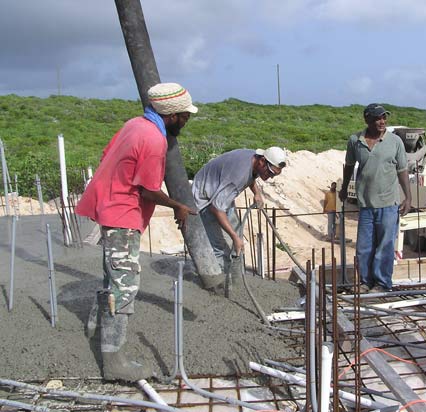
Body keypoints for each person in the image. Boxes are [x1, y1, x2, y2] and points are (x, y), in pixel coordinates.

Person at [76, 82, 198, 381]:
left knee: (112, 276)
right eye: (185, 115)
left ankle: (95, 327)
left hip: (111, 206)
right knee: (125, 285)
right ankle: (114, 360)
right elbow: (146, 189)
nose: (187, 120)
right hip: (122, 214)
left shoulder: (135, 124)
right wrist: (178, 206)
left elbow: (108, 154)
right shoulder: (154, 140)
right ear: (171, 116)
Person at [339, 104, 411, 293]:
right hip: (365, 204)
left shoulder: (395, 142)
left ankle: (382, 283)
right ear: (367, 120)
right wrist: (344, 187)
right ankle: (365, 282)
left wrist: (408, 198)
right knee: (364, 247)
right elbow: (348, 165)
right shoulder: (355, 140)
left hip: (388, 204)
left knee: (385, 247)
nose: (382, 122)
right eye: (378, 118)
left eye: (384, 118)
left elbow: (402, 171)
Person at [192, 147, 286, 275]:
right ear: (263, 161)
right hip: (206, 200)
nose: (270, 177)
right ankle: (217, 283)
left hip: (221, 196)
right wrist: (234, 237)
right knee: (220, 247)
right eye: (270, 172)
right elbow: (216, 208)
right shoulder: (237, 176)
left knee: (235, 243)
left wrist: (257, 193)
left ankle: (234, 276)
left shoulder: (255, 159)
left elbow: (251, 175)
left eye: (274, 175)